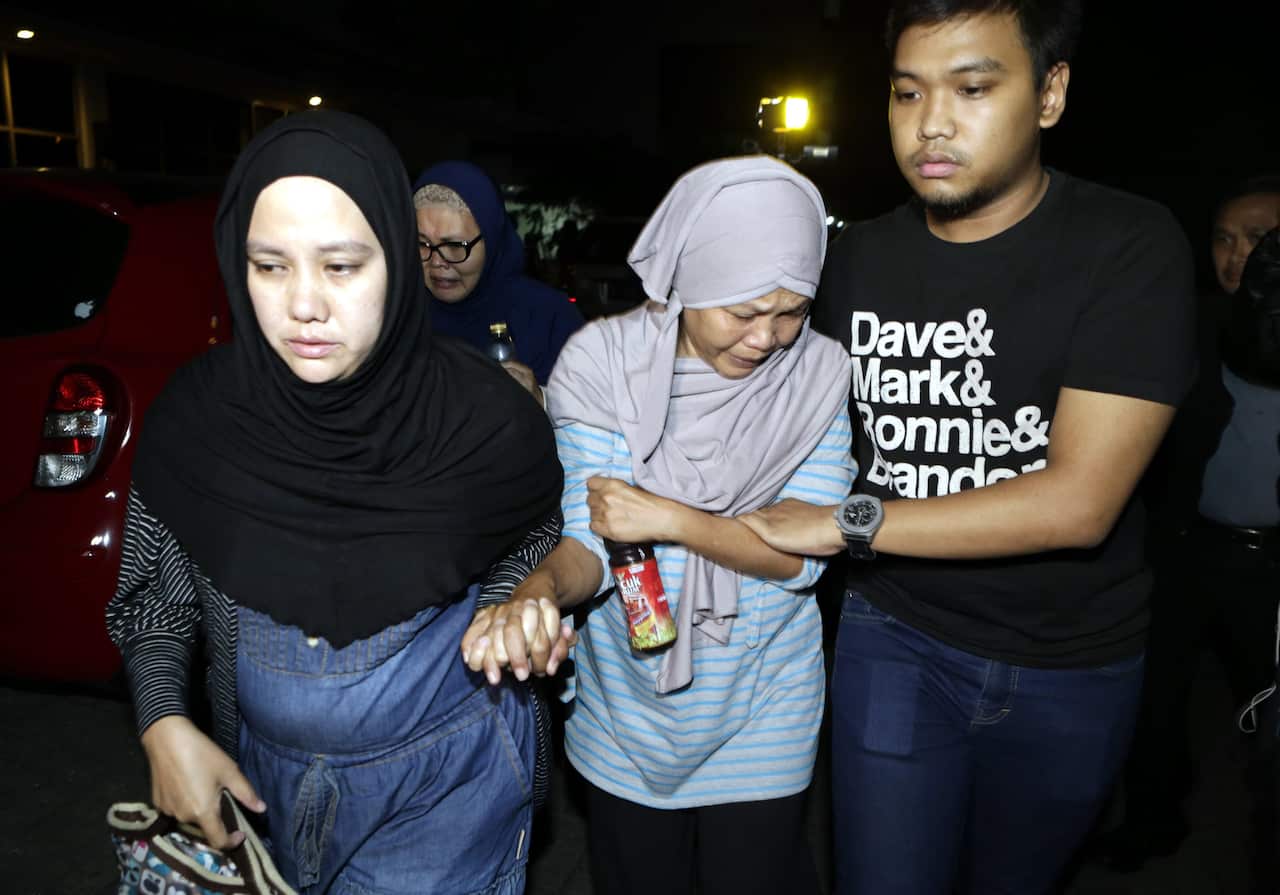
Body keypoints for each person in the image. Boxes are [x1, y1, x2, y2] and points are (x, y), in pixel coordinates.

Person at [737, 2, 1198, 893]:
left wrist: (843, 522)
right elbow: (759, 403)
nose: (931, 124)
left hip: (1073, 660)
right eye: (908, 92)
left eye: (973, 88)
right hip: (897, 633)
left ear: (1050, 94)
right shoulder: (854, 261)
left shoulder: (1127, 246)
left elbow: (1079, 502)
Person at [105, 111, 564, 894]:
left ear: (396, 259)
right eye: (269, 265)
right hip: (261, 786)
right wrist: (162, 720)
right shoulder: (198, 422)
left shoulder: (484, 418)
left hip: (447, 790)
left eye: (342, 266)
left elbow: (532, 535)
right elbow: (156, 598)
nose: (303, 304)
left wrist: (513, 604)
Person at [462, 156, 856, 895]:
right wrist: (537, 592)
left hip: (764, 698)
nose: (768, 337)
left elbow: (802, 555)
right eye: (743, 311)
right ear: (692, 280)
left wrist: (669, 518)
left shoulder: (819, 375)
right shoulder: (601, 366)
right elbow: (591, 540)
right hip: (627, 705)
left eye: (792, 310)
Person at [1092, 178, 1279, 887]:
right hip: (1189, 548)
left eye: (1258, 239)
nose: (1237, 256)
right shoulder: (1190, 325)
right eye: (1224, 238)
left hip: (1272, 565)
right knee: (1156, 697)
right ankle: (1151, 821)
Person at [412, 160, 583, 396]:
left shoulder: (551, 319)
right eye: (422, 244)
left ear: (493, 241)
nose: (437, 261)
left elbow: (596, 411)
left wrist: (541, 400)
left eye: (455, 246)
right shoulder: (396, 317)